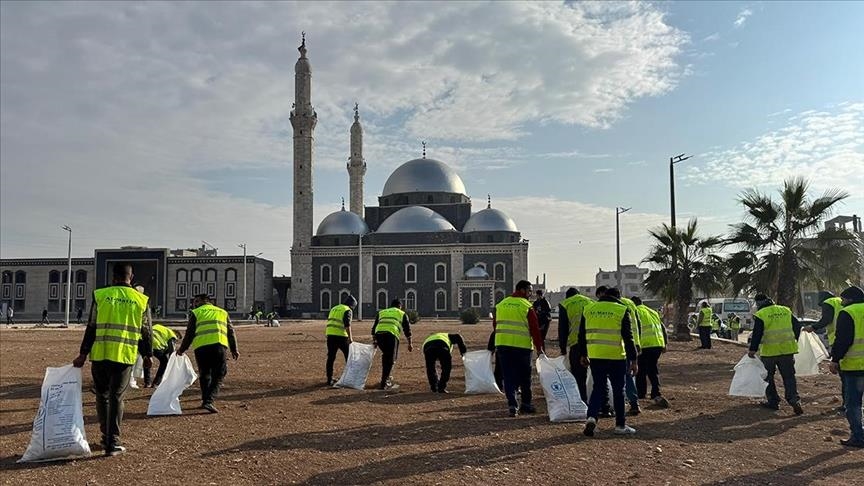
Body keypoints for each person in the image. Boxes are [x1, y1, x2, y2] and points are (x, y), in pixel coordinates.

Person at [72, 262, 152, 456]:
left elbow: (91, 326)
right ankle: (112, 441)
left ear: (113, 276)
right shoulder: (141, 300)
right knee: (117, 396)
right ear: (131, 277)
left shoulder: (100, 296)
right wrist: (148, 355)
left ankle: (105, 435)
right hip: (124, 356)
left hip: (100, 355)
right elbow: (146, 331)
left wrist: (83, 353)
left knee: (102, 395)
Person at [579, 287, 639, 436]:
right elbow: (628, 337)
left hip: (595, 355)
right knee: (619, 390)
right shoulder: (621, 309)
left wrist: (583, 354)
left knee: (598, 388)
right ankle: (620, 425)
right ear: (618, 297)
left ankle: (592, 417)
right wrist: (634, 360)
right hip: (616, 356)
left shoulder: (588, 309)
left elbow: (581, 335)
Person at [177, 294, 239, 413]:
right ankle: (208, 401)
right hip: (218, 346)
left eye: (196, 301)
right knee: (219, 373)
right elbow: (231, 331)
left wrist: (182, 349)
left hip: (201, 348)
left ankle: (206, 400)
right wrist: (234, 349)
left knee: (205, 374)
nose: (194, 303)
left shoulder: (196, 313)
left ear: (203, 301)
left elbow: (189, 333)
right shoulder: (222, 312)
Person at [494, 280, 545, 417]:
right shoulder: (526, 306)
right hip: (522, 347)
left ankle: (512, 404)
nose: (531, 294)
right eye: (529, 291)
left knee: (508, 376)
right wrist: (539, 347)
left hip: (503, 345)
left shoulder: (501, 305)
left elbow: (495, 325)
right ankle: (526, 404)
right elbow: (535, 329)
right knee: (525, 377)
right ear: (522, 290)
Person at [748, 293, 803, 415]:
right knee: (789, 377)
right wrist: (794, 339)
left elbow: (757, 333)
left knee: (768, 377)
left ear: (758, 304)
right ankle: (794, 400)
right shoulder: (785, 310)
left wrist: (753, 349)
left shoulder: (761, 314)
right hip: (787, 351)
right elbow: (797, 326)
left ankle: (773, 401)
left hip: (769, 352)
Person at [827, 285, 864, 448]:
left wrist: (835, 359)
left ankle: (858, 436)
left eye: (843, 299)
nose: (841, 302)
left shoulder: (848, 312)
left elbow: (843, 339)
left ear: (849, 299)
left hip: (855, 367)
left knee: (853, 404)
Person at [805, 290, 846, 413]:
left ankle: (847, 405)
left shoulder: (828, 303)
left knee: (845, 376)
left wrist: (813, 327)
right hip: (851, 339)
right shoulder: (840, 301)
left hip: (838, 339)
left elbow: (826, 319)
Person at [557, 287, 594, 402]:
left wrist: (563, 348)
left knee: (579, 375)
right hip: (593, 342)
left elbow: (563, 328)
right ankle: (602, 404)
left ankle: (583, 401)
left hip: (576, 344)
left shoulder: (565, 304)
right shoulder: (590, 301)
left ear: (567, 296)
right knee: (597, 374)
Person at [633, 297, 670, 408]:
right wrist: (665, 343)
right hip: (657, 344)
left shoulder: (635, 311)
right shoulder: (652, 311)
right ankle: (655, 392)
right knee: (652, 369)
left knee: (641, 370)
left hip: (644, 344)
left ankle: (641, 392)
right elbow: (663, 328)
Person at [371, 299, 413, 390]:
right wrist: (410, 343)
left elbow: (374, 327)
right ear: (400, 306)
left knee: (386, 355)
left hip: (379, 335)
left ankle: (385, 378)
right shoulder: (401, 313)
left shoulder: (382, 312)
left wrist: (374, 340)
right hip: (391, 335)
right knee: (390, 359)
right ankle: (384, 382)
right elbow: (407, 329)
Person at [325, 293, 356, 386]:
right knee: (348, 357)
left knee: (330, 358)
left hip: (330, 335)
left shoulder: (334, 308)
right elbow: (347, 325)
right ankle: (349, 378)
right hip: (341, 336)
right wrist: (350, 338)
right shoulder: (347, 310)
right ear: (351, 305)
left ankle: (329, 379)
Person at [619, 296, 643, 416]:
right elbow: (638, 325)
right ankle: (634, 403)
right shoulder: (631, 304)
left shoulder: (615, 306)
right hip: (632, 343)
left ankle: (610, 404)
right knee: (628, 374)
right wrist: (638, 344)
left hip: (618, 347)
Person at [144, 323, 180, 388]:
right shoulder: (172, 335)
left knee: (146, 360)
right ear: (176, 335)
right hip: (156, 345)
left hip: (145, 344)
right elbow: (171, 351)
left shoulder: (159, 326)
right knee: (164, 362)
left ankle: (147, 382)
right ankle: (156, 383)